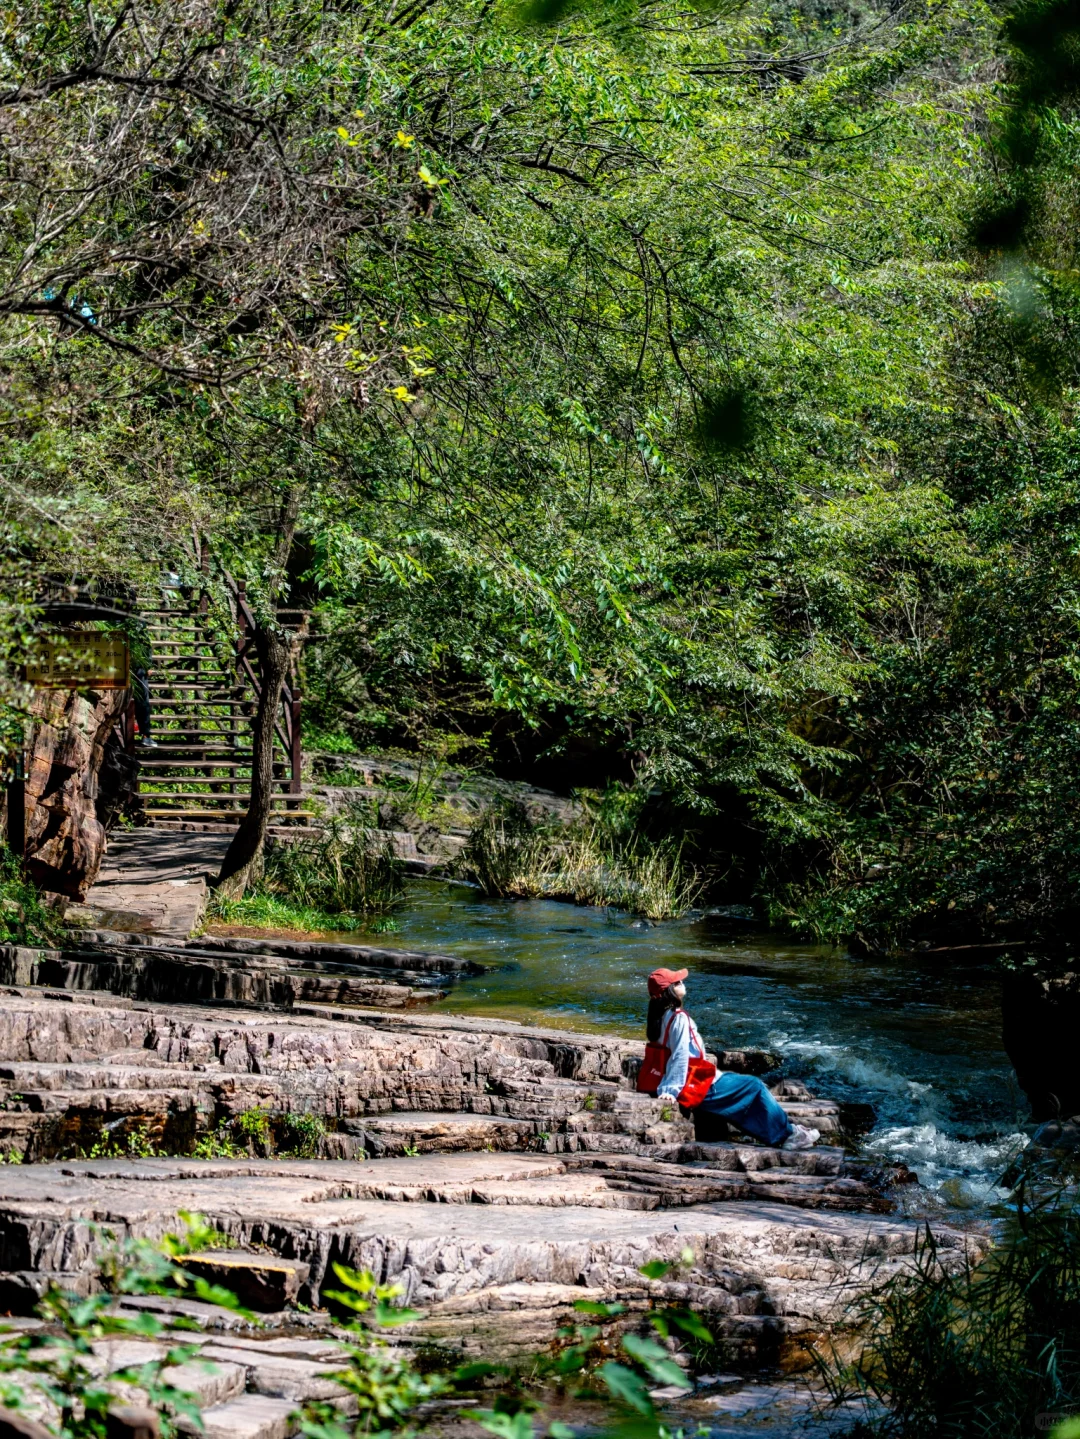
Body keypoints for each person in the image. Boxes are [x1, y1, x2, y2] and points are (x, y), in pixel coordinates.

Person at [645, 967, 820, 1151]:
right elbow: (680, 1056)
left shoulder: (659, 1017)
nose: (682, 983)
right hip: (697, 1085)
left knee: (743, 1086)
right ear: (668, 992)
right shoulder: (679, 1018)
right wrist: (671, 1090)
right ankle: (788, 1136)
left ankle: (786, 1132)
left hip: (696, 1079)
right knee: (754, 1086)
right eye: (677, 982)